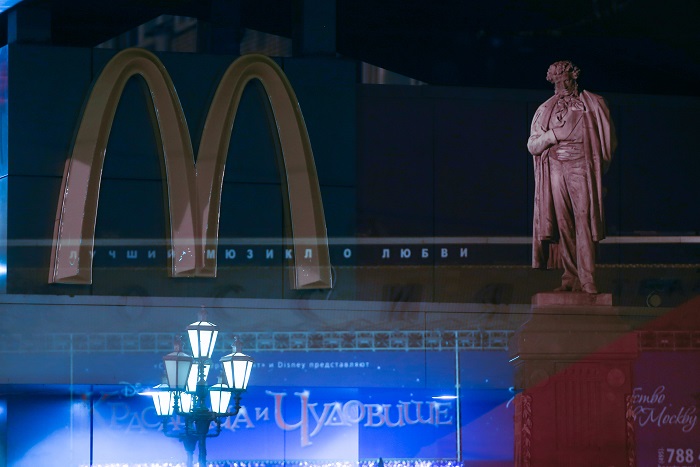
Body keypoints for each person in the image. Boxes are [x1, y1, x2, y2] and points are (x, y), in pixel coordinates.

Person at [527, 60, 616, 294]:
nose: (563, 86)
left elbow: (608, 143)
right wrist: (553, 136)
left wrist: (598, 171)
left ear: (574, 78)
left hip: (582, 167)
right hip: (556, 168)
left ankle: (587, 278)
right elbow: (532, 145)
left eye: (566, 80)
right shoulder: (545, 109)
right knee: (564, 223)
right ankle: (570, 277)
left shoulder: (593, 104)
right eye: (558, 82)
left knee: (583, 220)